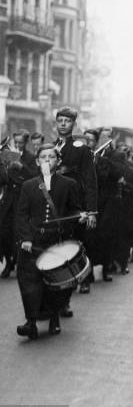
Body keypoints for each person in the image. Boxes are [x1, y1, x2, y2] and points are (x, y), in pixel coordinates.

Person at [15, 143, 85, 339]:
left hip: (56, 241)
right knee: (29, 281)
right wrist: (26, 238)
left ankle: (54, 318)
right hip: (33, 242)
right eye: (43, 157)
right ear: (37, 162)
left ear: (58, 161)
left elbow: (74, 209)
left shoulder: (69, 184)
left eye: (51, 157)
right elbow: (21, 215)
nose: (47, 160)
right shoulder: (28, 186)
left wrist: (79, 216)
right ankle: (31, 322)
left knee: (54, 284)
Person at [54, 107, 97, 300]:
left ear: (74, 124)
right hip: (55, 202)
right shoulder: (51, 147)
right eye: (60, 120)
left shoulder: (81, 148)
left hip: (74, 202)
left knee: (78, 243)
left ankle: (84, 280)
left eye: (67, 121)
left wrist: (91, 210)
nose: (63, 124)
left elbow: (90, 180)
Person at [0, 131, 37, 278]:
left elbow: (34, 176)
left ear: (26, 143)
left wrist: (21, 166)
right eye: (15, 142)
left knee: (17, 231)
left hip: (22, 199)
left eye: (20, 142)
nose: (17, 145)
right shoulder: (6, 155)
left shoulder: (30, 158)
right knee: (3, 230)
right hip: (8, 199)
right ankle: (8, 260)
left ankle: (15, 262)